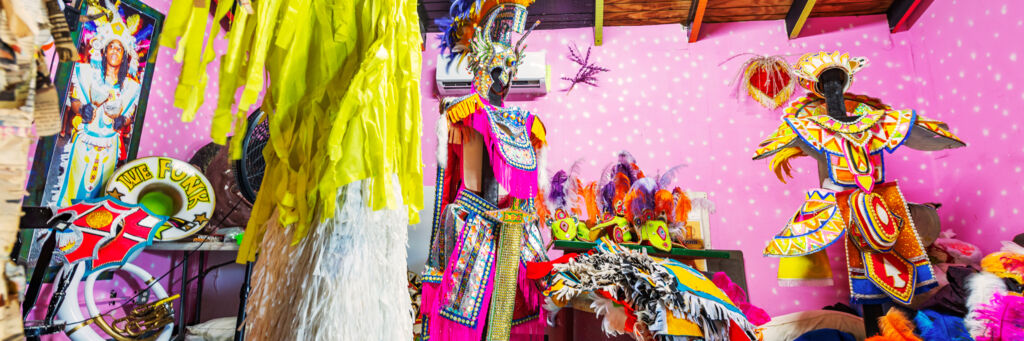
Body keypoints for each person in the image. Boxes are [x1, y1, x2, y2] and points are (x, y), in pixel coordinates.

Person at [56, 14, 141, 207]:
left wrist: (122, 121)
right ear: (103, 51)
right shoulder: (87, 74)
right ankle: (62, 232)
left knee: (100, 201)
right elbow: (75, 100)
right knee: (71, 196)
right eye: (111, 46)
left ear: (124, 56)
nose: (114, 51)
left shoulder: (130, 87)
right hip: (83, 144)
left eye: (119, 48)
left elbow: (128, 115)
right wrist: (82, 109)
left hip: (109, 148)